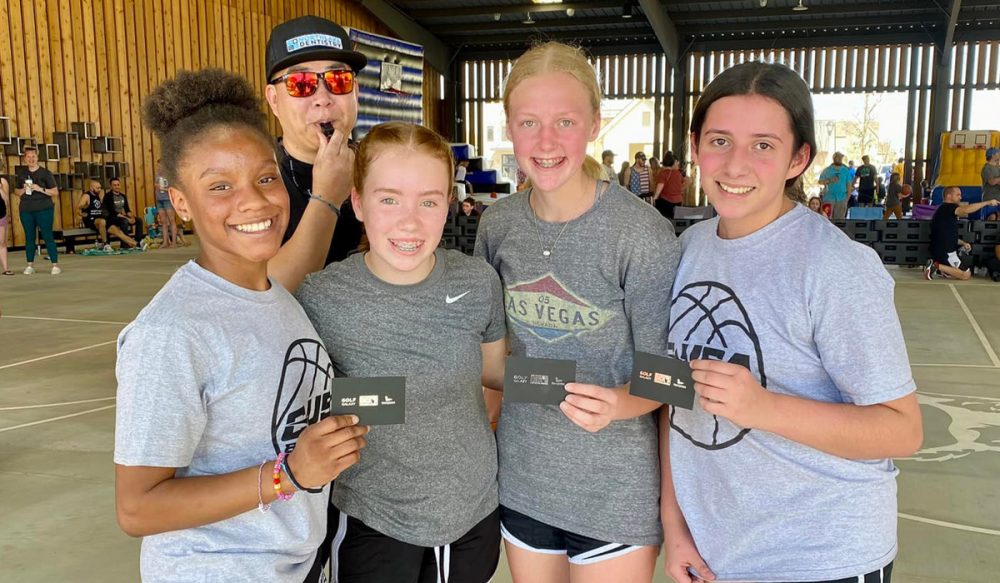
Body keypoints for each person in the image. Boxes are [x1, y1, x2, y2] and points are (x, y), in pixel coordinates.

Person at [661, 61, 923, 583]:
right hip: (717, 552)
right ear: (695, 147)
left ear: (798, 158)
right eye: (719, 140)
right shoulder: (687, 249)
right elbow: (673, 397)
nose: (735, 165)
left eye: (763, 145)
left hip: (819, 556)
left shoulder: (835, 266)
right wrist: (676, 525)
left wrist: (761, 406)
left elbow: (902, 430)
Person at [114, 68, 368, 583]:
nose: (253, 201)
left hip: (293, 565)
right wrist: (290, 474)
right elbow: (137, 509)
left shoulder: (274, 294)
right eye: (220, 186)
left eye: (265, 177)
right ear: (180, 203)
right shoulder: (172, 332)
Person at [475, 42, 679, 582]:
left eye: (564, 121)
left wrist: (619, 401)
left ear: (594, 123)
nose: (545, 142)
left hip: (614, 493)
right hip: (522, 481)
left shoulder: (641, 234)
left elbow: (672, 379)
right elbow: (492, 363)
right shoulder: (498, 226)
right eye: (529, 122)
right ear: (510, 127)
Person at [296, 122, 507, 582]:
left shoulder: (476, 283)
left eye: (428, 201)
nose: (409, 222)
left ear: (448, 204)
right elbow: (302, 407)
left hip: (471, 514)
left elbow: (496, 376)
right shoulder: (320, 296)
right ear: (357, 202)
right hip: (370, 518)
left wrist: (583, 380)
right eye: (389, 199)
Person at [264, 15, 366, 270]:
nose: (323, 97)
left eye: (339, 79)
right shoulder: (255, 184)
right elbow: (259, 295)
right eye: (301, 84)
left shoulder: (384, 167)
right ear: (274, 100)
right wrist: (327, 197)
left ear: (355, 91)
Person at [924, 186, 1000, 280]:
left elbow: (947, 235)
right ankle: (935, 266)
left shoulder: (944, 212)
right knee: (966, 274)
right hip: (945, 253)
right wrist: (987, 203)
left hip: (943, 250)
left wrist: (963, 243)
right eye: (958, 195)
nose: (960, 197)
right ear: (949, 196)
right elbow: (965, 210)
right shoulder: (949, 207)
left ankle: (944, 270)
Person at [14, 146, 61, 275]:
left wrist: (40, 189)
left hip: (44, 208)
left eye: (33, 156)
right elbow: (16, 191)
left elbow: (55, 192)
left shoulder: (45, 173)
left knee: (47, 236)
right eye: (28, 157)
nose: (31, 159)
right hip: (26, 210)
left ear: (37, 157)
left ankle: (55, 265)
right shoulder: (22, 174)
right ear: (24, 158)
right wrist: (24, 189)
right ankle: (30, 265)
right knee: (29, 237)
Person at [79, 180, 138, 249]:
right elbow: (79, 206)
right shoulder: (87, 195)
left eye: (100, 188)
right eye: (97, 188)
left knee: (117, 232)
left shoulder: (97, 196)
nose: (99, 190)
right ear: (92, 188)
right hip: (91, 220)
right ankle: (105, 244)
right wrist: (82, 210)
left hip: (101, 220)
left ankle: (136, 244)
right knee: (102, 221)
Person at [103, 178, 145, 245]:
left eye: (118, 185)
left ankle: (138, 241)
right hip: (111, 218)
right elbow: (113, 212)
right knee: (124, 221)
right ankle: (125, 244)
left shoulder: (123, 196)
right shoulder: (108, 196)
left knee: (139, 220)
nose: (117, 187)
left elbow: (127, 210)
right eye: (114, 185)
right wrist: (127, 219)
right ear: (111, 186)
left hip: (120, 216)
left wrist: (132, 217)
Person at [653, 151, 690, 219]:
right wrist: (681, 189)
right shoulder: (678, 173)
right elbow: (688, 180)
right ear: (673, 162)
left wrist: (655, 198)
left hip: (666, 201)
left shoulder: (663, 173)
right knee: (676, 220)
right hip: (678, 201)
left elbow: (660, 187)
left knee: (665, 220)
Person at [818, 151, 852, 219]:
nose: (840, 159)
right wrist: (830, 180)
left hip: (842, 199)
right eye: (838, 157)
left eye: (841, 157)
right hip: (829, 198)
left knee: (839, 221)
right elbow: (820, 182)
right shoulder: (827, 170)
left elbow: (849, 185)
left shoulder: (846, 171)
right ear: (834, 158)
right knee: (827, 219)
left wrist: (846, 199)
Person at [154, 161, 179, 247]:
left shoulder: (169, 175)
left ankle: (174, 242)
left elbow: (173, 188)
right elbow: (156, 185)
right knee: (163, 222)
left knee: (171, 220)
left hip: (167, 199)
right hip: (159, 199)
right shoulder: (157, 175)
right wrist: (156, 186)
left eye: (160, 164)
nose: (159, 166)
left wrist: (163, 188)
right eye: (158, 165)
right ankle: (165, 242)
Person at [981, 147, 1000, 220]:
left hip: (998, 198)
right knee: (992, 217)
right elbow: (992, 182)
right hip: (990, 199)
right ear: (993, 155)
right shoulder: (987, 168)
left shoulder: (998, 168)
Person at [0, 174, 11, 275]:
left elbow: (6, 200)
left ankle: (6, 269)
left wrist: (0, 189)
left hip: (0, 215)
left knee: (2, 242)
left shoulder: (2, 181)